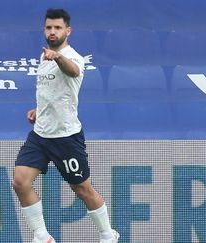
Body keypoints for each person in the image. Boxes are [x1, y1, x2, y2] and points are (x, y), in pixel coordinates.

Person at [12, 8, 120, 243]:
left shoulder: (72, 57)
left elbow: (72, 71)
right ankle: (42, 237)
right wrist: (39, 110)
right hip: (40, 135)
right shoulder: (44, 55)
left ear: (67, 31)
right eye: (49, 27)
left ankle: (107, 235)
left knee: (82, 190)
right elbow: (55, 93)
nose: (52, 32)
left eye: (58, 27)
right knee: (20, 181)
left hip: (66, 137)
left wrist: (58, 57)